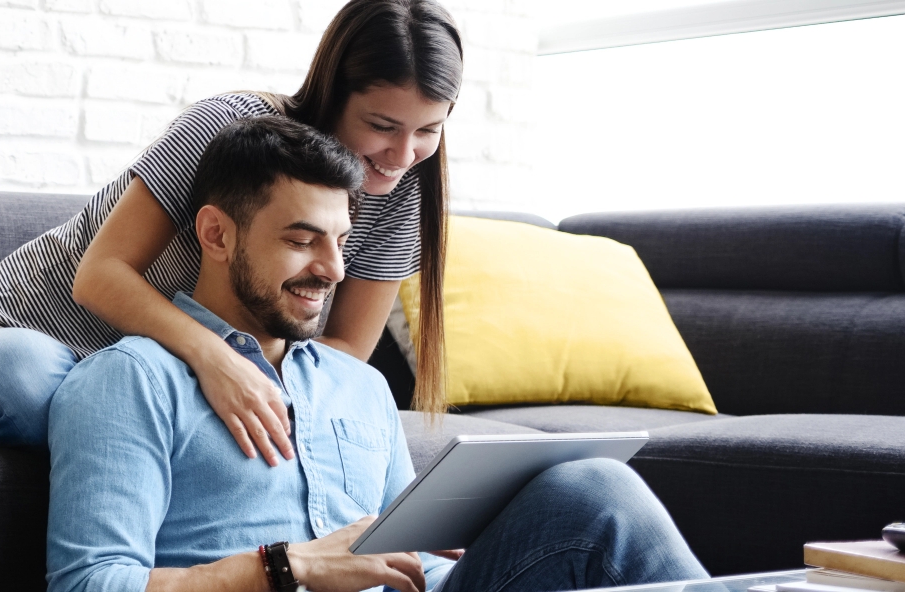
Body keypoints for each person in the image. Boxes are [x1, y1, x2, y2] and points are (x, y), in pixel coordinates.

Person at [45, 117, 707, 592]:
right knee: (593, 489)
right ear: (217, 235)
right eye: (302, 241)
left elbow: (410, 561)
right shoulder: (130, 380)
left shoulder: (354, 385)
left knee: (583, 490)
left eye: (341, 241)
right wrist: (283, 567)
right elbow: (89, 582)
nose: (333, 270)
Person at [0, 0, 459, 461]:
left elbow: (344, 351)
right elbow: (99, 276)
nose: (402, 154)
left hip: (162, 391)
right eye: (382, 126)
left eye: (428, 131)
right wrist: (216, 362)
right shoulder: (226, 128)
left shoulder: (402, 194)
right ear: (334, 92)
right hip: (31, 342)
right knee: (30, 384)